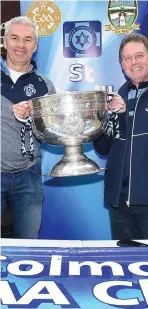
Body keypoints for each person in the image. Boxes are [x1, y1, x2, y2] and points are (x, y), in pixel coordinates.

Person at [94, 33, 148, 240]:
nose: (134, 62)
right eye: (127, 58)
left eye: (139, 55)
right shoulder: (114, 100)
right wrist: (112, 117)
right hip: (119, 203)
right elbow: (102, 148)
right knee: (123, 268)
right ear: (122, 64)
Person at [1, 16, 56, 239]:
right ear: (4, 41)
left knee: (29, 243)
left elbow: (51, 132)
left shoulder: (45, 85)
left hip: (29, 174)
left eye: (27, 40)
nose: (20, 45)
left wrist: (34, 118)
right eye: (14, 38)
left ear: (35, 46)